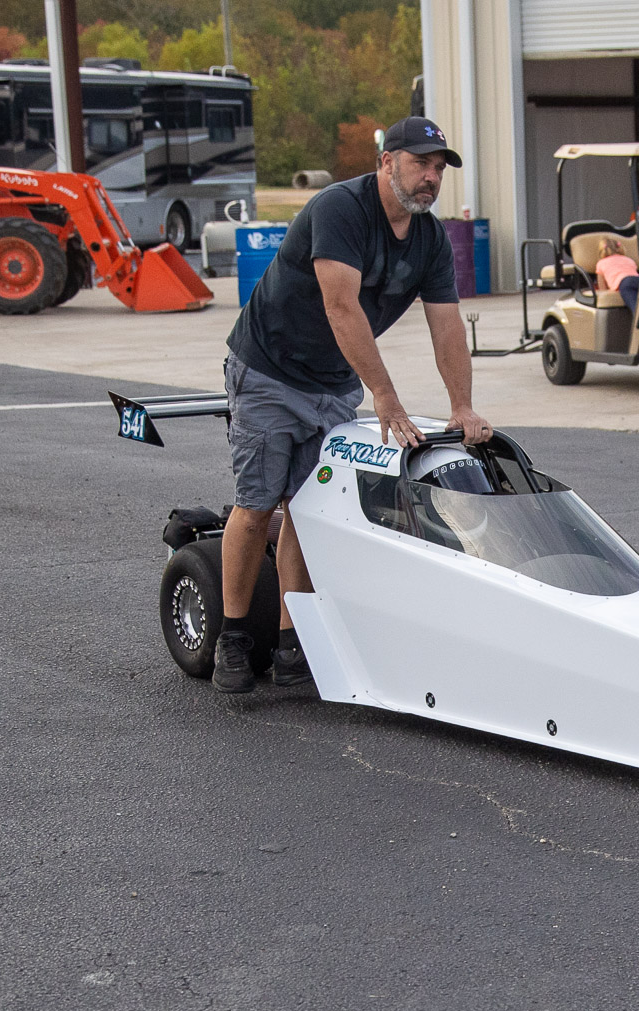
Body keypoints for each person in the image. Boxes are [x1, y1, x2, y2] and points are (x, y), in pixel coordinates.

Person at [213, 115, 493, 694]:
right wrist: (385, 398)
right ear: (386, 161)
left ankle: (292, 641)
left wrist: (462, 406)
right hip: (269, 370)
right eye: (419, 164)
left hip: (334, 381)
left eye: (439, 169)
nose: (431, 177)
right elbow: (341, 307)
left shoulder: (430, 238)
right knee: (257, 504)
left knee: (308, 510)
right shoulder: (340, 209)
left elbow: (446, 326)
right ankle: (233, 637)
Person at [594, 235, 639, 313]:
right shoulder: (629, 259)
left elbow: (602, 286)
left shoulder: (601, 263)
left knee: (635, 309)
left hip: (625, 283)